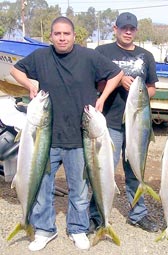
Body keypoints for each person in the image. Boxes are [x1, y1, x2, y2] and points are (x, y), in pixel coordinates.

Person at [10, 16, 123, 251]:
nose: (62, 37)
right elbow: (14, 69)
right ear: (51, 36)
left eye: (66, 34)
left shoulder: (89, 57)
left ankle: (78, 228)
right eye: (57, 34)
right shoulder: (41, 57)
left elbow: (116, 74)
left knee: (80, 189)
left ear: (74, 36)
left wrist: (102, 99)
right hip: (45, 137)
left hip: (81, 137)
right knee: (42, 186)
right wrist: (30, 86)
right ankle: (43, 230)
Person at [88, 12, 159, 233]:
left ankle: (138, 214)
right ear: (115, 29)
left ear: (135, 31)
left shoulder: (146, 56)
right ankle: (96, 214)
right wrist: (118, 82)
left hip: (138, 125)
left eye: (132, 29)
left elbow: (152, 88)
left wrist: (138, 91)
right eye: (123, 28)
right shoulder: (102, 52)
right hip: (109, 122)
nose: (128, 32)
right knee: (104, 169)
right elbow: (95, 84)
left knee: (135, 170)